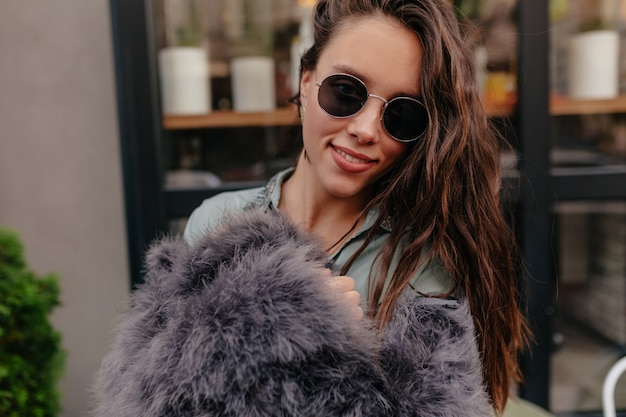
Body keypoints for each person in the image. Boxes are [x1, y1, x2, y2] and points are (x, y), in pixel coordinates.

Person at [93, 0, 529, 416]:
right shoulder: (216, 223)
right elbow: (155, 391)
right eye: (346, 92)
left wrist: (333, 345)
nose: (364, 129)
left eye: (402, 115)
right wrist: (280, 318)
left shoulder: (419, 264)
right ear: (304, 83)